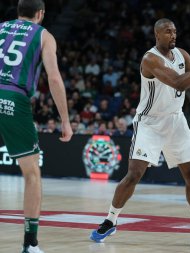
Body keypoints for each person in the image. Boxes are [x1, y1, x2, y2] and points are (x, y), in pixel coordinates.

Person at [90, 18, 190, 248]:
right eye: (168, 31)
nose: (173, 35)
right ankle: (110, 221)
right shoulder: (150, 59)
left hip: (175, 120)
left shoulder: (181, 54)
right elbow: (179, 83)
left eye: (174, 31)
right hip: (149, 122)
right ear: (156, 35)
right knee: (134, 174)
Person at [0, 1, 73, 253]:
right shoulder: (44, 35)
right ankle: (30, 244)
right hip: (13, 100)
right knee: (31, 175)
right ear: (40, 14)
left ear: (18, 11)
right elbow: (53, 77)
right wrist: (64, 119)